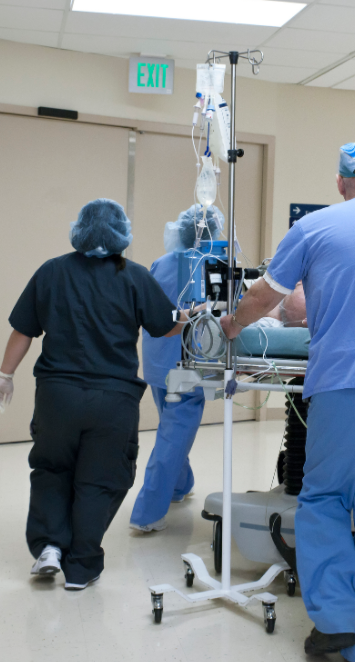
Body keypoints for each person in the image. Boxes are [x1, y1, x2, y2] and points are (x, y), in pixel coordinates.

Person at [220, 141, 355, 662]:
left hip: (344, 385)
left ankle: (336, 616)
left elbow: (267, 297)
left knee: (324, 499)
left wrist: (231, 325)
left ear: (341, 184)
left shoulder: (315, 227)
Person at [0, 198, 187, 590]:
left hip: (57, 398)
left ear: (78, 229)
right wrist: (187, 317)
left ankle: (49, 546)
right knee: (100, 478)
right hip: (112, 400)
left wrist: (4, 375)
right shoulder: (134, 277)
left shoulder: (51, 272)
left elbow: (23, 330)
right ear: (121, 234)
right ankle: (81, 567)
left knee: (52, 470)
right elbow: (165, 327)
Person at [128, 205, 223, 532]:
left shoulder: (162, 262)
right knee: (172, 437)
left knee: (171, 429)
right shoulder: (212, 266)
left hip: (157, 362)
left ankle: (181, 486)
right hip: (188, 367)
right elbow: (222, 314)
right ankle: (147, 513)